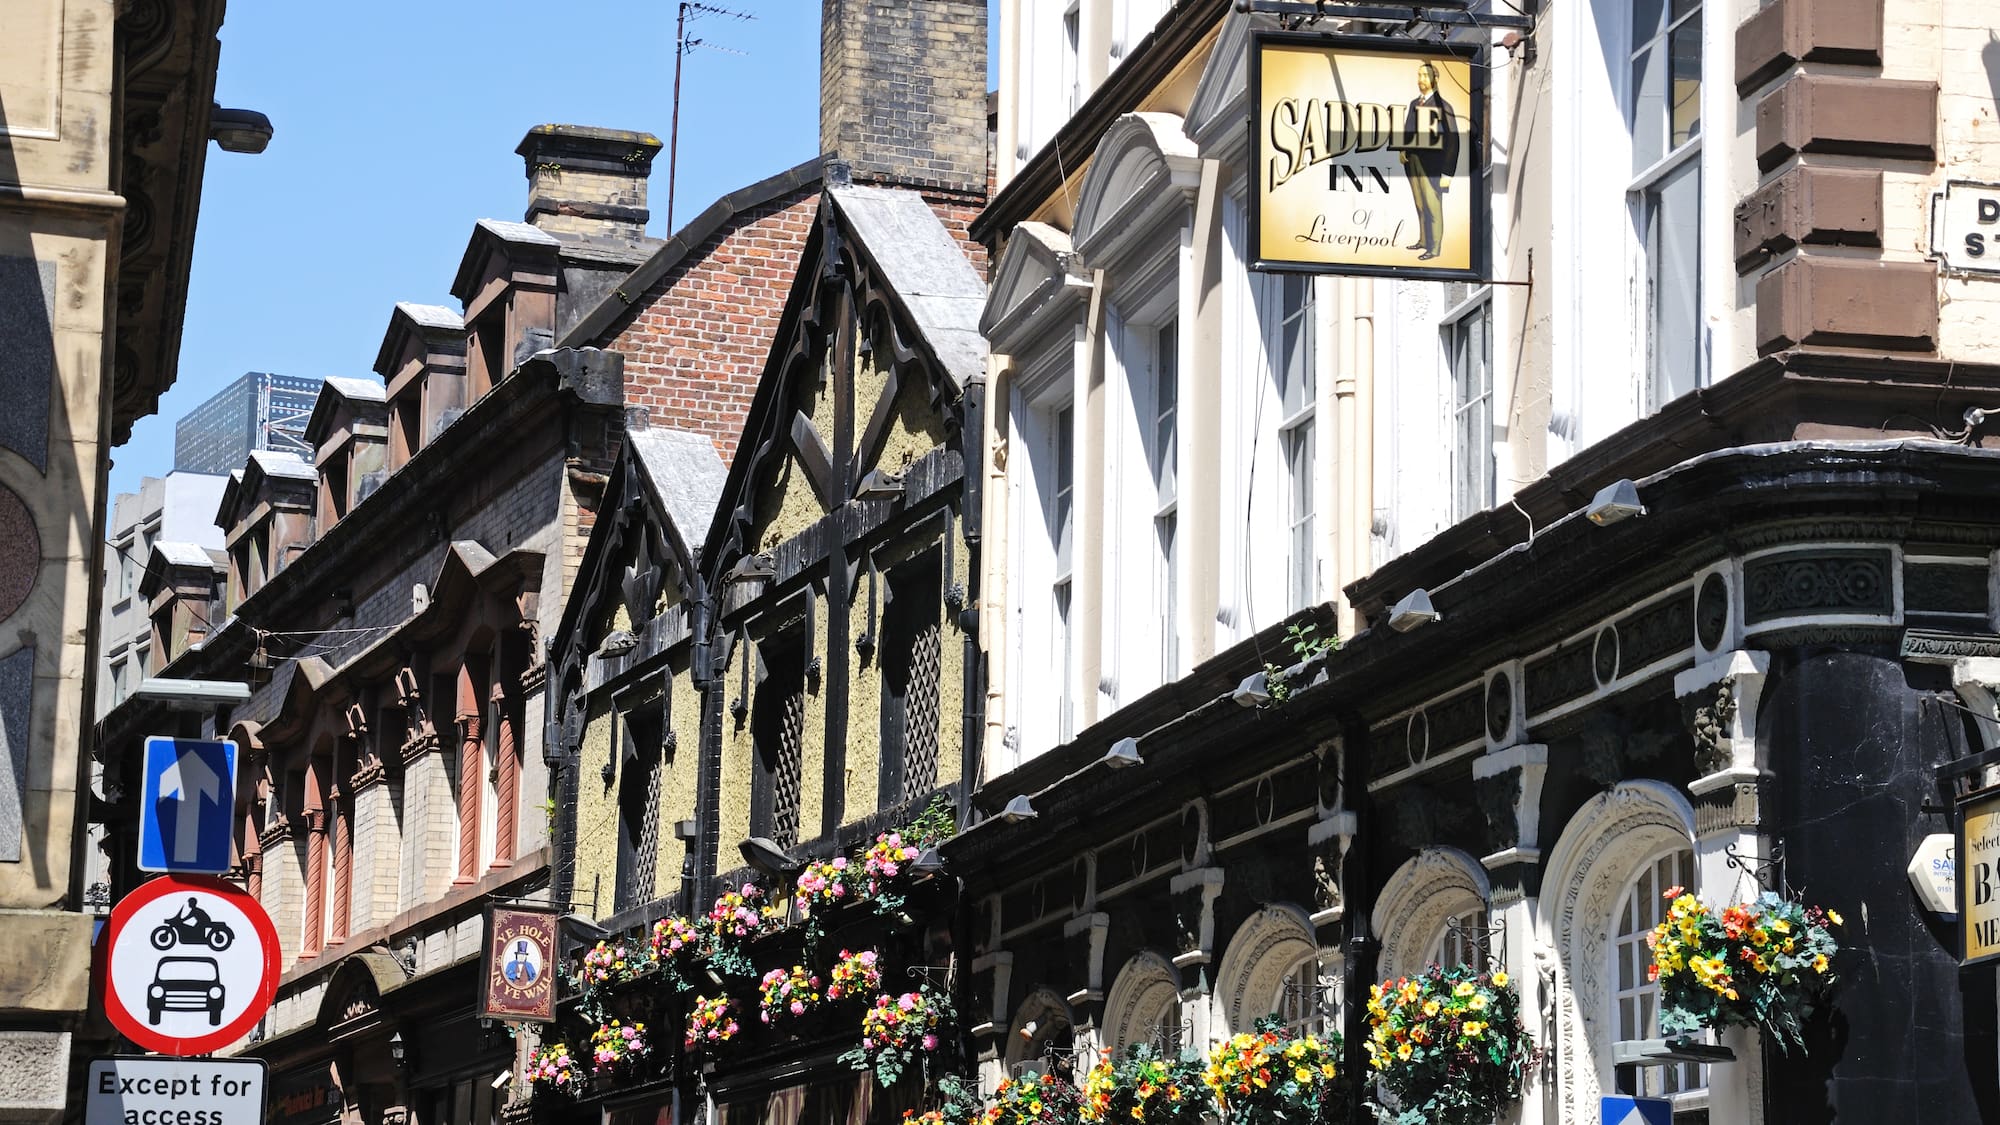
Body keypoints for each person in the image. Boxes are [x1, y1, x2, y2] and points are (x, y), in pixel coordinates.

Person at [1399, 61, 1461, 262]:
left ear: (1435, 79)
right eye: (1419, 76)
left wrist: (1448, 173)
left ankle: (1434, 248)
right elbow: (1408, 130)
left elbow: (1453, 140)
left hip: (1434, 164)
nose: (1420, 80)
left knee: (1433, 205)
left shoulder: (1444, 107)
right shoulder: (1414, 104)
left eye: (1425, 76)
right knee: (1419, 203)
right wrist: (1403, 149)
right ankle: (1424, 240)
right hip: (1414, 160)